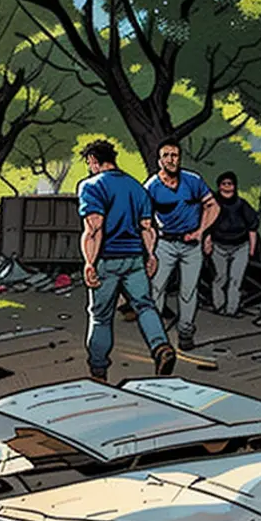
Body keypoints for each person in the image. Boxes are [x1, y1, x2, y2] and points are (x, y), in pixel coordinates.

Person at [77, 138, 176, 382]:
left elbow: (94, 228)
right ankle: (161, 346)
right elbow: (147, 227)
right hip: (134, 259)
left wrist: (89, 262)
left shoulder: (91, 186)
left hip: (107, 260)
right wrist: (151, 255)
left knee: (100, 316)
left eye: (89, 163)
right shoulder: (136, 187)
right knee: (145, 306)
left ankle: (98, 371)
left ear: (93, 161)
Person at [144, 140, 218, 351]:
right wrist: (150, 253)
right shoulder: (152, 187)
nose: (171, 159)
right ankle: (157, 337)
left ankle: (185, 332)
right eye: (166, 155)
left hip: (191, 243)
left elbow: (212, 206)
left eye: (174, 155)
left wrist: (202, 232)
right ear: (160, 160)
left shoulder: (192, 180)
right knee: (157, 289)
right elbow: (145, 223)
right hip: (165, 243)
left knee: (188, 291)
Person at [203, 171, 260, 316]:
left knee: (236, 280)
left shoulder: (242, 204)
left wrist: (252, 249)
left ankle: (231, 310)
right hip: (219, 246)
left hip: (240, 247)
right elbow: (206, 226)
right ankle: (219, 306)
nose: (227, 188)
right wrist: (207, 242)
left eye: (230, 184)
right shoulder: (213, 205)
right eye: (224, 184)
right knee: (220, 278)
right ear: (219, 186)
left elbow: (252, 227)